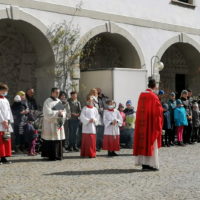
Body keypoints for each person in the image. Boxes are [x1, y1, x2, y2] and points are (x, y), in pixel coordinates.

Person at [133, 79, 163, 171]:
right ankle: (151, 164)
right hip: (150, 126)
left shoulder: (141, 95)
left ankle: (144, 164)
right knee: (151, 143)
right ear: (155, 86)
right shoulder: (153, 96)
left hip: (142, 124)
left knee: (143, 142)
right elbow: (158, 112)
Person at [41, 88, 66, 161]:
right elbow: (47, 113)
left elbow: (64, 111)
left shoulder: (58, 101)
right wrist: (57, 113)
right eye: (56, 92)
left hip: (58, 123)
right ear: (52, 93)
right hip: (50, 124)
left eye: (58, 93)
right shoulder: (47, 101)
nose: (58, 94)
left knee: (58, 139)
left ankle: (58, 155)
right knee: (51, 139)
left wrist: (62, 114)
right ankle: (51, 156)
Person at [0, 83, 14, 164]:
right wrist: (3, 120)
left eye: (6, 91)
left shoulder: (5, 100)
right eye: (4, 91)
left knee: (6, 140)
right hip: (1, 123)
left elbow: (9, 111)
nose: (5, 92)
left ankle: (4, 157)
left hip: (6, 123)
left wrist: (9, 120)